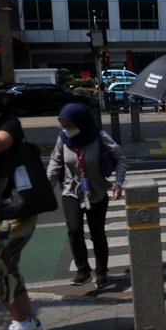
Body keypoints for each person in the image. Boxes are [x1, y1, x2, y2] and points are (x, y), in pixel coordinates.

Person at [46, 103, 127, 289]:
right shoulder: (63, 138)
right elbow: (55, 163)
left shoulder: (98, 136)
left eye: (70, 125)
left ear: (80, 122)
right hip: (71, 190)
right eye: (64, 126)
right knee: (74, 230)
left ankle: (101, 272)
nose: (67, 130)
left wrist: (118, 183)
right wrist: (44, 190)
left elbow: (121, 157)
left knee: (97, 234)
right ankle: (82, 270)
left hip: (96, 192)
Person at [0, 83, 42, 330]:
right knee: (6, 266)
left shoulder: (8, 123)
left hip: (16, 210)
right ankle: (28, 320)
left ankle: (20, 320)